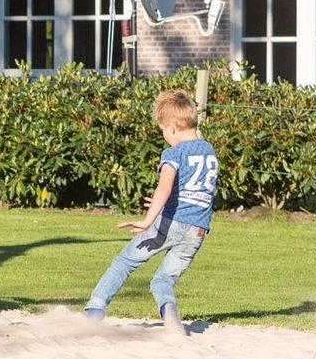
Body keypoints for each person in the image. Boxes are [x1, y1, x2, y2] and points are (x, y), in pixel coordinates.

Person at [84, 89, 218, 336]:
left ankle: (94, 311)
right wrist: (162, 201)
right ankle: (171, 318)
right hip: (198, 231)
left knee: (124, 262)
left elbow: (164, 186)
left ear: (172, 127)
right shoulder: (208, 150)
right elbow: (194, 190)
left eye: (163, 130)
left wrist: (148, 220)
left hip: (169, 224)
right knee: (162, 280)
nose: (164, 136)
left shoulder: (174, 152)